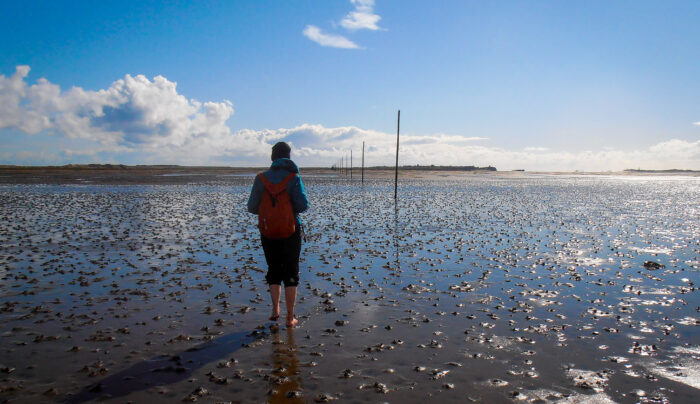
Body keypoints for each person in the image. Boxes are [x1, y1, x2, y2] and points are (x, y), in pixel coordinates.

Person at [247, 142, 309, 327]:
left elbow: (251, 207)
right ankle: (290, 318)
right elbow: (303, 205)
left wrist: (270, 212)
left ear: (272, 157)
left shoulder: (261, 178)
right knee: (291, 271)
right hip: (291, 229)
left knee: (273, 269)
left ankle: (275, 310)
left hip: (268, 230)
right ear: (288, 157)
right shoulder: (294, 177)